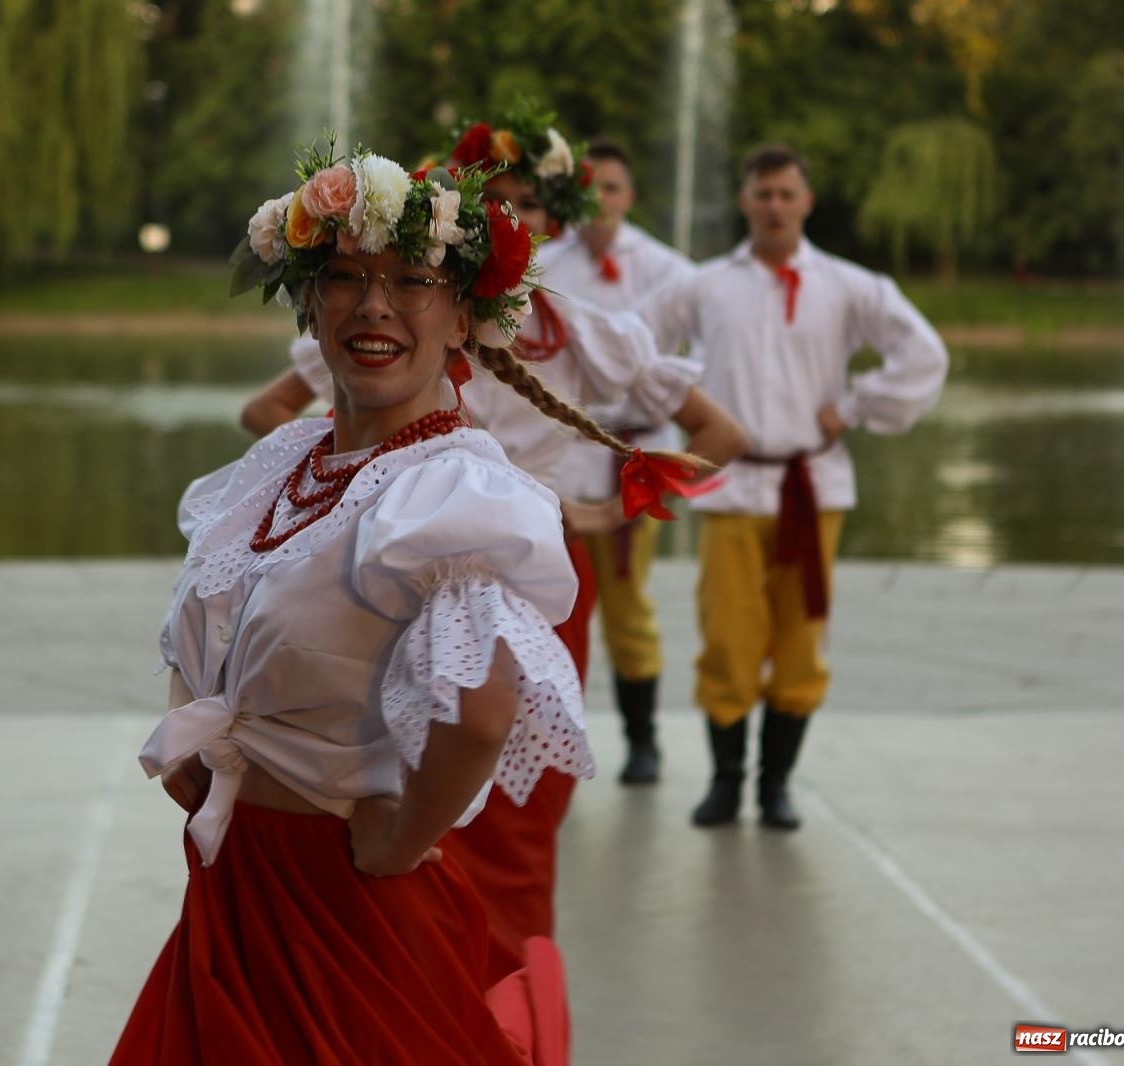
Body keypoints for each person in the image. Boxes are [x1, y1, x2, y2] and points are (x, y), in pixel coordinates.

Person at [111, 141, 712, 1065]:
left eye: (412, 280)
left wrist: (397, 839)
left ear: (465, 317)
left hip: (346, 908)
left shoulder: (452, 491)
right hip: (233, 887)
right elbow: (208, 620)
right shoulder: (288, 464)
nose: (375, 304)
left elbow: (480, 716)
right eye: (346, 276)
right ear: (308, 302)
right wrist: (206, 753)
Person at [240, 112, 746, 978]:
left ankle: (502, 1005)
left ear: (555, 224)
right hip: (390, 569)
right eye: (495, 203)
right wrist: (340, 475)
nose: (514, 216)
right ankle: (406, 989)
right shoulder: (409, 308)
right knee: (391, 782)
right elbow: (266, 412)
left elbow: (718, 433)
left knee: (512, 813)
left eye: (528, 205)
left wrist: (598, 514)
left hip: (529, 570)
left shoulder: (579, 329)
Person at [646, 143, 948, 830]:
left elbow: (924, 353)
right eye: (763, 193)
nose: (775, 206)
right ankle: (726, 780)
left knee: (801, 637)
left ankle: (775, 783)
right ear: (745, 201)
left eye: (787, 194)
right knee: (726, 635)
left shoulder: (848, 285)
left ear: (806, 202)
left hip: (811, 485)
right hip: (728, 486)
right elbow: (634, 342)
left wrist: (859, 405)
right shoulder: (707, 285)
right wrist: (679, 404)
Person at [540, 137, 698, 785]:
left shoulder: (670, 271)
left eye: (613, 187)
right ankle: (550, 737)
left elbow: (713, 354)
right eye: (591, 187)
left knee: (629, 602)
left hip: (631, 453)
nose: (601, 200)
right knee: (552, 602)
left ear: (629, 197)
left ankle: (642, 739)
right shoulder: (541, 265)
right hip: (559, 457)